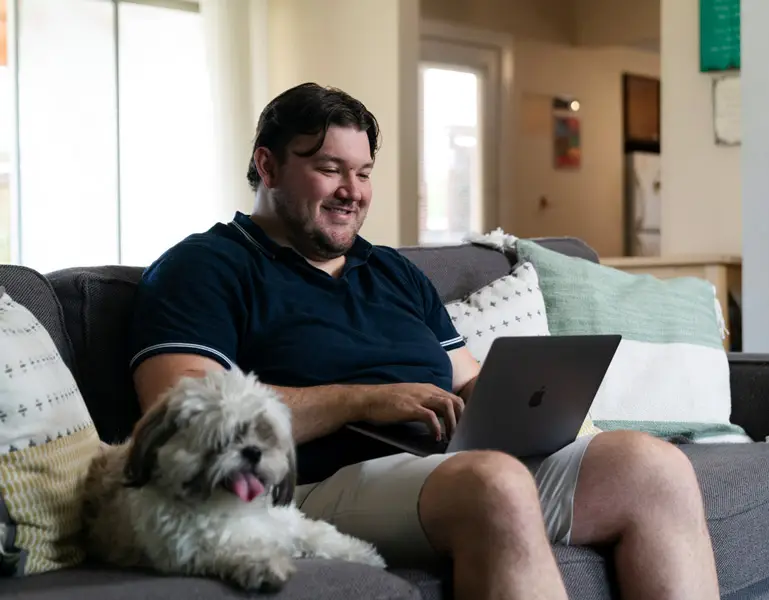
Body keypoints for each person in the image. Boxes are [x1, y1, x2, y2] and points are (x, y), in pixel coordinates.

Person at [127, 82, 720, 600]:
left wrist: (525, 393)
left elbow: (463, 375)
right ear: (268, 165)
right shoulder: (204, 267)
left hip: (448, 463)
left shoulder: (393, 272)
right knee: (493, 482)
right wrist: (360, 400)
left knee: (652, 466)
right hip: (310, 486)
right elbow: (179, 413)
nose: (351, 191)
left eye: (363, 173)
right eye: (329, 169)